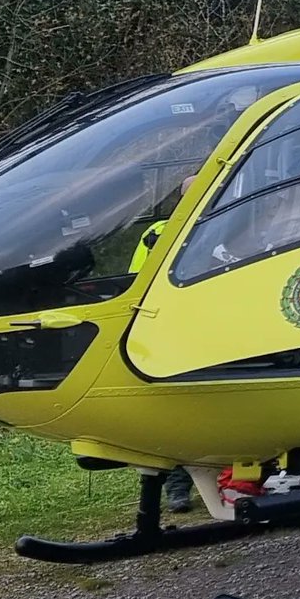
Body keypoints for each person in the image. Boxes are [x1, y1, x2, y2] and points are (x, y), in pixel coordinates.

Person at [128, 174, 197, 512]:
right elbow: (133, 285)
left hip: (206, 329)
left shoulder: (227, 228)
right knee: (171, 413)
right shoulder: (154, 234)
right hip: (168, 333)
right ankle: (173, 487)